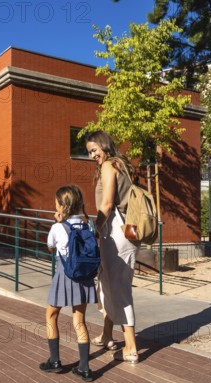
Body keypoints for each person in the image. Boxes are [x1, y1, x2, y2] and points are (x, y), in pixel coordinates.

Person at [85, 130, 139, 364]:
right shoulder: (123, 164)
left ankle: (131, 346)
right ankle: (108, 335)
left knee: (118, 288)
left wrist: (94, 230)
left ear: (104, 146)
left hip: (116, 233)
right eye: (89, 152)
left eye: (94, 150)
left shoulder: (108, 166)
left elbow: (106, 205)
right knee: (108, 284)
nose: (91, 156)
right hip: (130, 231)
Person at [39, 185, 97, 382]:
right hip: (84, 276)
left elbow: (50, 247)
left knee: (51, 315)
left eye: (56, 202)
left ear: (62, 206)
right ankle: (84, 367)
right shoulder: (88, 225)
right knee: (79, 320)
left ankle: (55, 360)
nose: (54, 205)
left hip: (65, 275)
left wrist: (58, 222)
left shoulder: (57, 227)